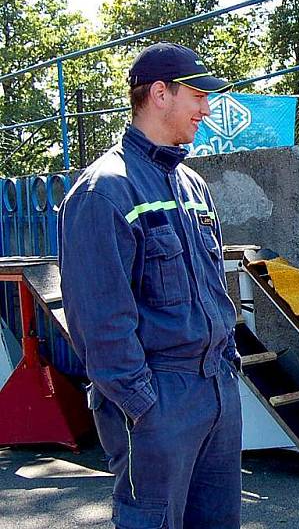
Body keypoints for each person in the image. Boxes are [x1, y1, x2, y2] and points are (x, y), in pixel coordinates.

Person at [58, 42, 242, 528]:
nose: (207, 107)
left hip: (215, 390)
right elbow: (99, 322)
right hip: (159, 401)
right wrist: (143, 406)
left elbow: (214, 292)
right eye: (198, 94)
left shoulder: (192, 185)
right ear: (160, 94)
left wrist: (227, 366)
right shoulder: (105, 191)